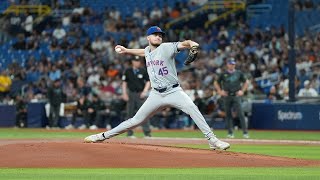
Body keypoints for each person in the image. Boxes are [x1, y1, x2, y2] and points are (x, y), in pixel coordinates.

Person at [84, 26, 230, 150]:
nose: (159, 37)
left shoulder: (167, 47)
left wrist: (192, 43)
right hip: (156, 94)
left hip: (173, 91)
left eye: (160, 35)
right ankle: (102, 136)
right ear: (148, 37)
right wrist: (127, 50)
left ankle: (212, 140)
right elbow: (143, 52)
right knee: (135, 121)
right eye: (155, 34)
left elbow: (184, 44)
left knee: (192, 108)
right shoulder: (148, 50)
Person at [214, 58, 249, 139]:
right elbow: (216, 82)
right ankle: (230, 132)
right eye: (230, 64)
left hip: (236, 95)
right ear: (227, 64)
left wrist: (242, 91)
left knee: (241, 114)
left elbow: (246, 82)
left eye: (233, 64)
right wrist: (220, 91)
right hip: (227, 96)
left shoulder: (239, 73)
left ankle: (245, 132)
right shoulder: (223, 74)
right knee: (228, 114)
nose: (232, 65)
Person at [122, 55, 152, 138]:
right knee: (129, 114)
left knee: (144, 113)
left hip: (140, 94)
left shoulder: (143, 70)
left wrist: (145, 91)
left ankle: (147, 133)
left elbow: (148, 81)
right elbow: (124, 83)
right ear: (132, 62)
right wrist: (124, 93)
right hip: (131, 94)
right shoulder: (128, 71)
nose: (137, 62)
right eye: (135, 61)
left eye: (138, 61)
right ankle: (129, 133)